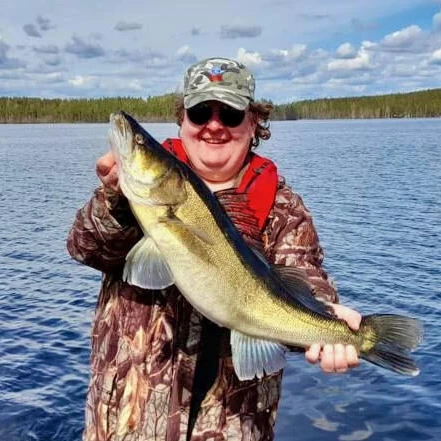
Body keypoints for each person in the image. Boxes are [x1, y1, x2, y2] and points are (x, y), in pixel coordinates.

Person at [67, 57, 361, 441]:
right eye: (200, 112)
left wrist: (325, 314)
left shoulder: (282, 206)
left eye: (232, 115)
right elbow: (86, 246)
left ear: (254, 123)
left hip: (233, 425)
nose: (214, 126)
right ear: (182, 120)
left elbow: (302, 270)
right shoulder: (134, 195)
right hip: (126, 422)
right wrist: (114, 200)